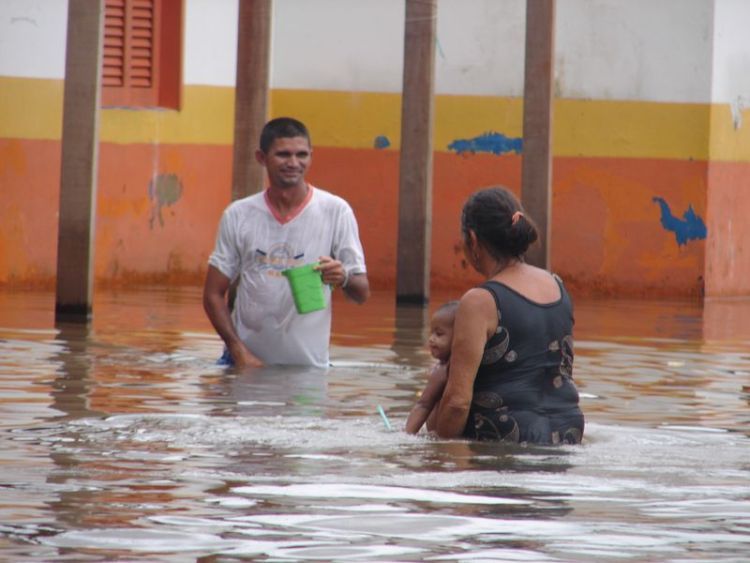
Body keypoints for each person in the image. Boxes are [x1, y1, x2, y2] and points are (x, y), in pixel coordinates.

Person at [203, 117, 370, 368]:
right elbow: (213, 294)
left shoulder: (336, 211)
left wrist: (342, 277)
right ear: (261, 158)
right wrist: (238, 351)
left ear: (311, 157)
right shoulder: (238, 214)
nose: (293, 163)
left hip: (309, 368)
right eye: (283, 155)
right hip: (246, 367)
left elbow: (361, 293)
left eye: (302, 154)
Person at [432, 186, 584, 444]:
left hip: (505, 439)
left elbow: (457, 403)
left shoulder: (480, 301)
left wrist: (434, 451)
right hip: (569, 432)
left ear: (473, 240)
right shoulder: (557, 285)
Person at [405, 301, 458, 434]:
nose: (431, 339)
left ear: (460, 337)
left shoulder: (442, 370)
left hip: (437, 438)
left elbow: (423, 404)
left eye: (439, 334)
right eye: (431, 333)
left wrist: (406, 435)